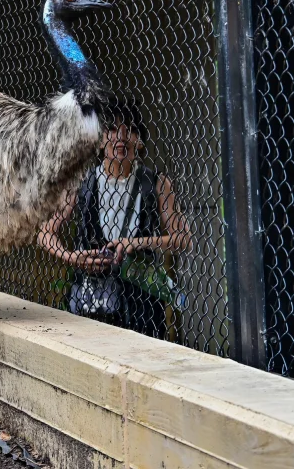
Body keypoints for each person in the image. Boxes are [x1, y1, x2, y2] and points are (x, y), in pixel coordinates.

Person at [38, 97, 190, 339]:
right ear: (99, 142)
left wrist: (138, 243)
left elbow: (182, 239)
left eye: (129, 130)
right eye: (111, 129)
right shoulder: (81, 182)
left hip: (142, 308)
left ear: (139, 142)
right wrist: (72, 257)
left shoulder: (157, 183)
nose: (120, 136)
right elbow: (45, 234)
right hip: (92, 305)